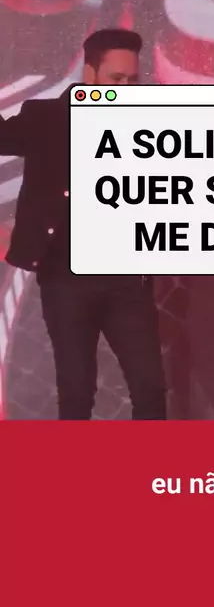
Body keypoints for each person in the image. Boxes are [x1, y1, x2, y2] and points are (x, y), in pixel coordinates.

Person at [0, 28, 166, 420]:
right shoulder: (46, 118)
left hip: (127, 280)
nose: (125, 89)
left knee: (149, 389)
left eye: (132, 80)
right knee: (76, 394)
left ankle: (152, 461)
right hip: (65, 280)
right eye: (116, 79)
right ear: (89, 74)